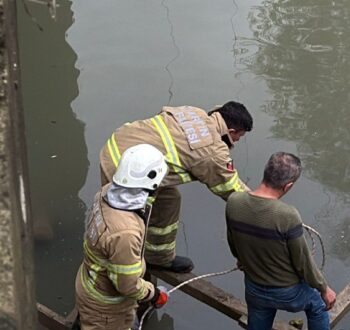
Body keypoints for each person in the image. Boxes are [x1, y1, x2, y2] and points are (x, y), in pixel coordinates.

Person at [226, 152, 348, 330]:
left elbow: (233, 242)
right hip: (288, 292)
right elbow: (303, 261)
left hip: (255, 289)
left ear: (265, 172)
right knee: (315, 305)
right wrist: (324, 288)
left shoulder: (234, 202)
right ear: (288, 185)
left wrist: (243, 259)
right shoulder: (287, 215)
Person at [70, 144, 171, 330]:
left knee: (122, 329)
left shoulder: (104, 194)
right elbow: (126, 285)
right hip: (105, 302)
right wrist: (152, 293)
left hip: (94, 284)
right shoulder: (124, 231)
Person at [99, 102, 253, 273]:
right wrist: (260, 202)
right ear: (231, 132)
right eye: (240, 136)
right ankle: (127, 270)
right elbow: (230, 188)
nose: (238, 141)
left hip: (119, 144)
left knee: (169, 200)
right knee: (128, 224)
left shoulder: (194, 112)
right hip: (127, 168)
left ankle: (158, 258)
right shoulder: (212, 150)